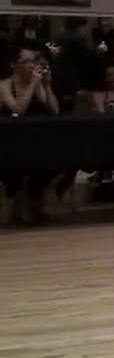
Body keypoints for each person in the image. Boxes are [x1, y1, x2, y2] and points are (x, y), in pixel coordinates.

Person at [0, 42, 60, 224]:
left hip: (34, 141)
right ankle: (16, 204)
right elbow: (18, 110)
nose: (30, 65)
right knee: (15, 168)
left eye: (33, 61)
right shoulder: (3, 85)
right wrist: (32, 85)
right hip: (8, 143)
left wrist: (47, 86)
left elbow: (54, 110)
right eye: (25, 62)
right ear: (13, 65)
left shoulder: (37, 84)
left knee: (54, 162)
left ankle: (34, 201)